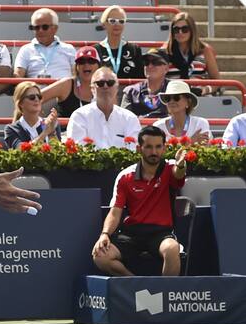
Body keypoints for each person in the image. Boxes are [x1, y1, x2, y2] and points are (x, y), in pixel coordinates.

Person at [93, 125, 189, 277]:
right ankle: (134, 284)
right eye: (149, 147)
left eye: (158, 147)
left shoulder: (171, 168)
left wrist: (181, 164)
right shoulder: (125, 177)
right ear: (139, 149)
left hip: (161, 233)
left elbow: (178, 174)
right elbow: (115, 211)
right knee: (101, 257)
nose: (154, 152)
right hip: (131, 234)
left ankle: (165, 294)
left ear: (164, 149)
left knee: (172, 249)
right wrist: (104, 234)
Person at [67, 66, 141, 148]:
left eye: (110, 83)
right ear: (92, 89)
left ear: (117, 88)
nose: (105, 86)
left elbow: (134, 151)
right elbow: (77, 150)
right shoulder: (79, 116)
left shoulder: (130, 118)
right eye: (100, 83)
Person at [14, 8, 76, 81]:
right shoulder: (26, 50)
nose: (40, 31)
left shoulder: (69, 49)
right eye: (36, 27)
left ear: (55, 28)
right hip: (35, 90)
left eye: (45, 27)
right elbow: (17, 77)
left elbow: (76, 75)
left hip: (63, 90)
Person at [162, 10, 220, 84]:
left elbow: (216, 80)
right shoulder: (164, 52)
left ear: (192, 30)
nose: (180, 33)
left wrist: (206, 90)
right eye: (176, 29)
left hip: (199, 94)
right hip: (172, 93)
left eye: (184, 29)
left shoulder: (204, 50)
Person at [3, 81, 61, 149]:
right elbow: (21, 151)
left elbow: (58, 153)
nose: (36, 99)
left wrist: (52, 133)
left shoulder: (51, 124)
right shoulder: (11, 129)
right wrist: (45, 133)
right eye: (32, 97)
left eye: (39, 97)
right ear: (20, 103)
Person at [123, 49, 172, 117]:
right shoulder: (131, 92)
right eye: (146, 62)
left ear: (166, 68)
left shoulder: (175, 90)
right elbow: (124, 119)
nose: (150, 66)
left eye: (155, 62)